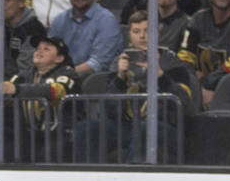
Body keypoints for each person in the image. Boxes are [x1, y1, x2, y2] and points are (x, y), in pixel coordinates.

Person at [73, 11, 195, 163]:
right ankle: (87, 179)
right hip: (128, 126)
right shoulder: (121, 61)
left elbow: (182, 104)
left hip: (164, 127)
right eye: (136, 31)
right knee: (87, 127)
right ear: (129, 35)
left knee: (147, 128)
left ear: (156, 34)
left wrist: (161, 76)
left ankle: (133, 179)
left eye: (147, 31)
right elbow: (107, 111)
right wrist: (119, 79)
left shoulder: (172, 62)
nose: (142, 36)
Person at [0, 34, 78, 162]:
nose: (39, 51)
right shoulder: (26, 74)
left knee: (47, 154)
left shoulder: (67, 73)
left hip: (63, 134)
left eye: (46, 49)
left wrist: (16, 89)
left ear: (59, 58)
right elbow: (8, 89)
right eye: (38, 48)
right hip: (30, 134)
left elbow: (57, 90)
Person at [47, 0, 124, 77]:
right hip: (63, 79)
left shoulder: (106, 20)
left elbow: (97, 64)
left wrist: (64, 74)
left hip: (95, 83)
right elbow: (49, 55)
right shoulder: (59, 20)